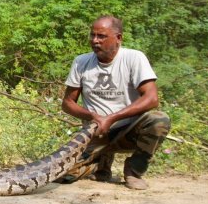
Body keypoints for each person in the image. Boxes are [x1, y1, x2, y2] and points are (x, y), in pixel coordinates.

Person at [60, 15, 170, 190]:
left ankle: (134, 170)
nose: (95, 40)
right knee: (62, 175)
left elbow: (152, 98)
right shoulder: (81, 62)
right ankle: (100, 163)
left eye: (101, 36)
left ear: (118, 38)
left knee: (159, 120)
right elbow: (67, 103)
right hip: (95, 133)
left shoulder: (134, 58)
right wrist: (93, 116)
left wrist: (111, 118)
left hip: (128, 130)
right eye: (92, 35)